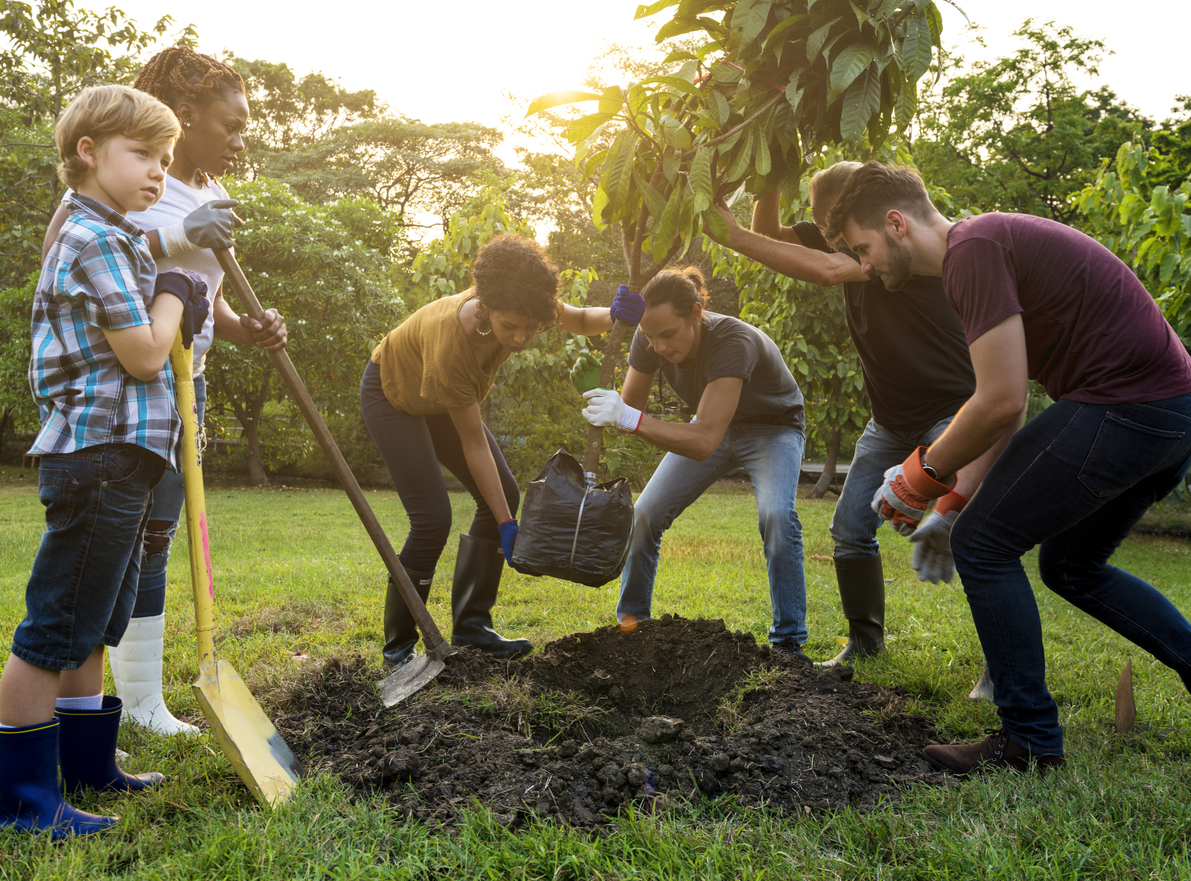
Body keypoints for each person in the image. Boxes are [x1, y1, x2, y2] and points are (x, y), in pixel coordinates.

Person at [828, 161, 1191, 773]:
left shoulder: (972, 253)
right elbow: (1004, 406)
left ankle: (1029, 741)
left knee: (987, 547)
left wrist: (919, 476)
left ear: (896, 224)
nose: (862, 267)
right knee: (1070, 566)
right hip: (1170, 412)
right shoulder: (980, 249)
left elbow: (1001, 401)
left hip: (1127, 403)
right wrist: (950, 506)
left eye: (862, 249)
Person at [41, 47, 287, 736]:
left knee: (155, 534)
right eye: (230, 125)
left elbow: (199, 300)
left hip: (187, 382)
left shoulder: (205, 190)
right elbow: (68, 254)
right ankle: (132, 703)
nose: (240, 140)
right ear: (186, 118)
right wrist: (177, 234)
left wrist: (248, 327)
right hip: (125, 390)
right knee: (118, 544)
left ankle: (143, 703)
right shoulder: (123, 191)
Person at [1, 85, 208, 838]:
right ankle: (25, 800)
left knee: (94, 626)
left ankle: (88, 766)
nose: (159, 172)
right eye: (143, 155)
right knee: (54, 630)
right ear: (88, 153)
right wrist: (178, 294)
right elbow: (146, 354)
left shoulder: (119, 237)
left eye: (166, 159)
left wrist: (177, 288)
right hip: (98, 456)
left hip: (124, 458)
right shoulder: (92, 238)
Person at [710, 163, 1004, 674]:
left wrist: (729, 235)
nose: (833, 239)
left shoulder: (897, 249)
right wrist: (771, 168)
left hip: (952, 411)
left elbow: (821, 267)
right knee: (849, 528)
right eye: (828, 229)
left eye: (837, 226)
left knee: (969, 529)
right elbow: (770, 236)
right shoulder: (848, 241)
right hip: (890, 421)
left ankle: (1001, 665)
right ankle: (865, 643)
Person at [362, 234, 645, 667]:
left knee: (503, 494)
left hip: (438, 398)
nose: (520, 338)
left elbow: (582, 320)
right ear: (486, 306)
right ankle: (398, 648)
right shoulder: (451, 341)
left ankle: (472, 627)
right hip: (393, 395)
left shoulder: (528, 306)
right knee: (432, 518)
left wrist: (615, 312)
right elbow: (473, 444)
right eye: (510, 326)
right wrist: (506, 524)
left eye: (530, 328)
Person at [581, 267, 812, 660]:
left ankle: (788, 643)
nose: (659, 346)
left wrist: (629, 418)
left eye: (667, 334)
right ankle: (631, 626)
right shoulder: (648, 336)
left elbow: (704, 441)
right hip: (711, 424)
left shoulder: (732, 340)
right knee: (645, 514)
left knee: (776, 515)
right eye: (650, 336)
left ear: (696, 313)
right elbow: (629, 410)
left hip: (772, 428)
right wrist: (603, 401)